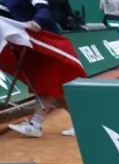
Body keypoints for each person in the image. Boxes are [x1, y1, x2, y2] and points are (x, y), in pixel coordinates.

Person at [2, 0, 77, 138]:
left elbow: (44, 9)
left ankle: (35, 125)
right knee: (56, 90)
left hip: (49, 43)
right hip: (32, 44)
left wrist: (37, 21)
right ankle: (83, 122)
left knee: (46, 84)